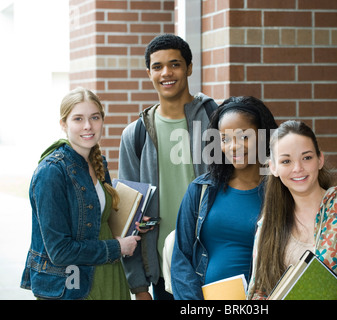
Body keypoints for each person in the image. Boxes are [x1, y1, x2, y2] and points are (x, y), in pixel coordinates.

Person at [118, 34, 217, 300]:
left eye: (175, 64)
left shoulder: (217, 121)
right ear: (148, 72)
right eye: (158, 66)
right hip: (164, 268)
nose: (166, 73)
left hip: (217, 260)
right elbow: (127, 218)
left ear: (189, 67)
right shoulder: (135, 135)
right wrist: (138, 285)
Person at [20, 87, 140, 300]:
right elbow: (60, 251)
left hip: (110, 273)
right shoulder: (51, 172)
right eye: (78, 119)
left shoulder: (98, 163)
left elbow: (99, 222)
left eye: (94, 117)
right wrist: (116, 247)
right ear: (63, 124)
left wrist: (133, 221)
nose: (88, 126)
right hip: (73, 286)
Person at [171, 96, 278, 300]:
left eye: (244, 137)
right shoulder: (201, 190)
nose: (233, 147)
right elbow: (181, 257)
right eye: (225, 139)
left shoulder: (280, 193)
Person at [247, 120, 337, 300]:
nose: (298, 168)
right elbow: (258, 291)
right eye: (286, 161)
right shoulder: (267, 224)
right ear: (273, 168)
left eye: (307, 157)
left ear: (320, 159)